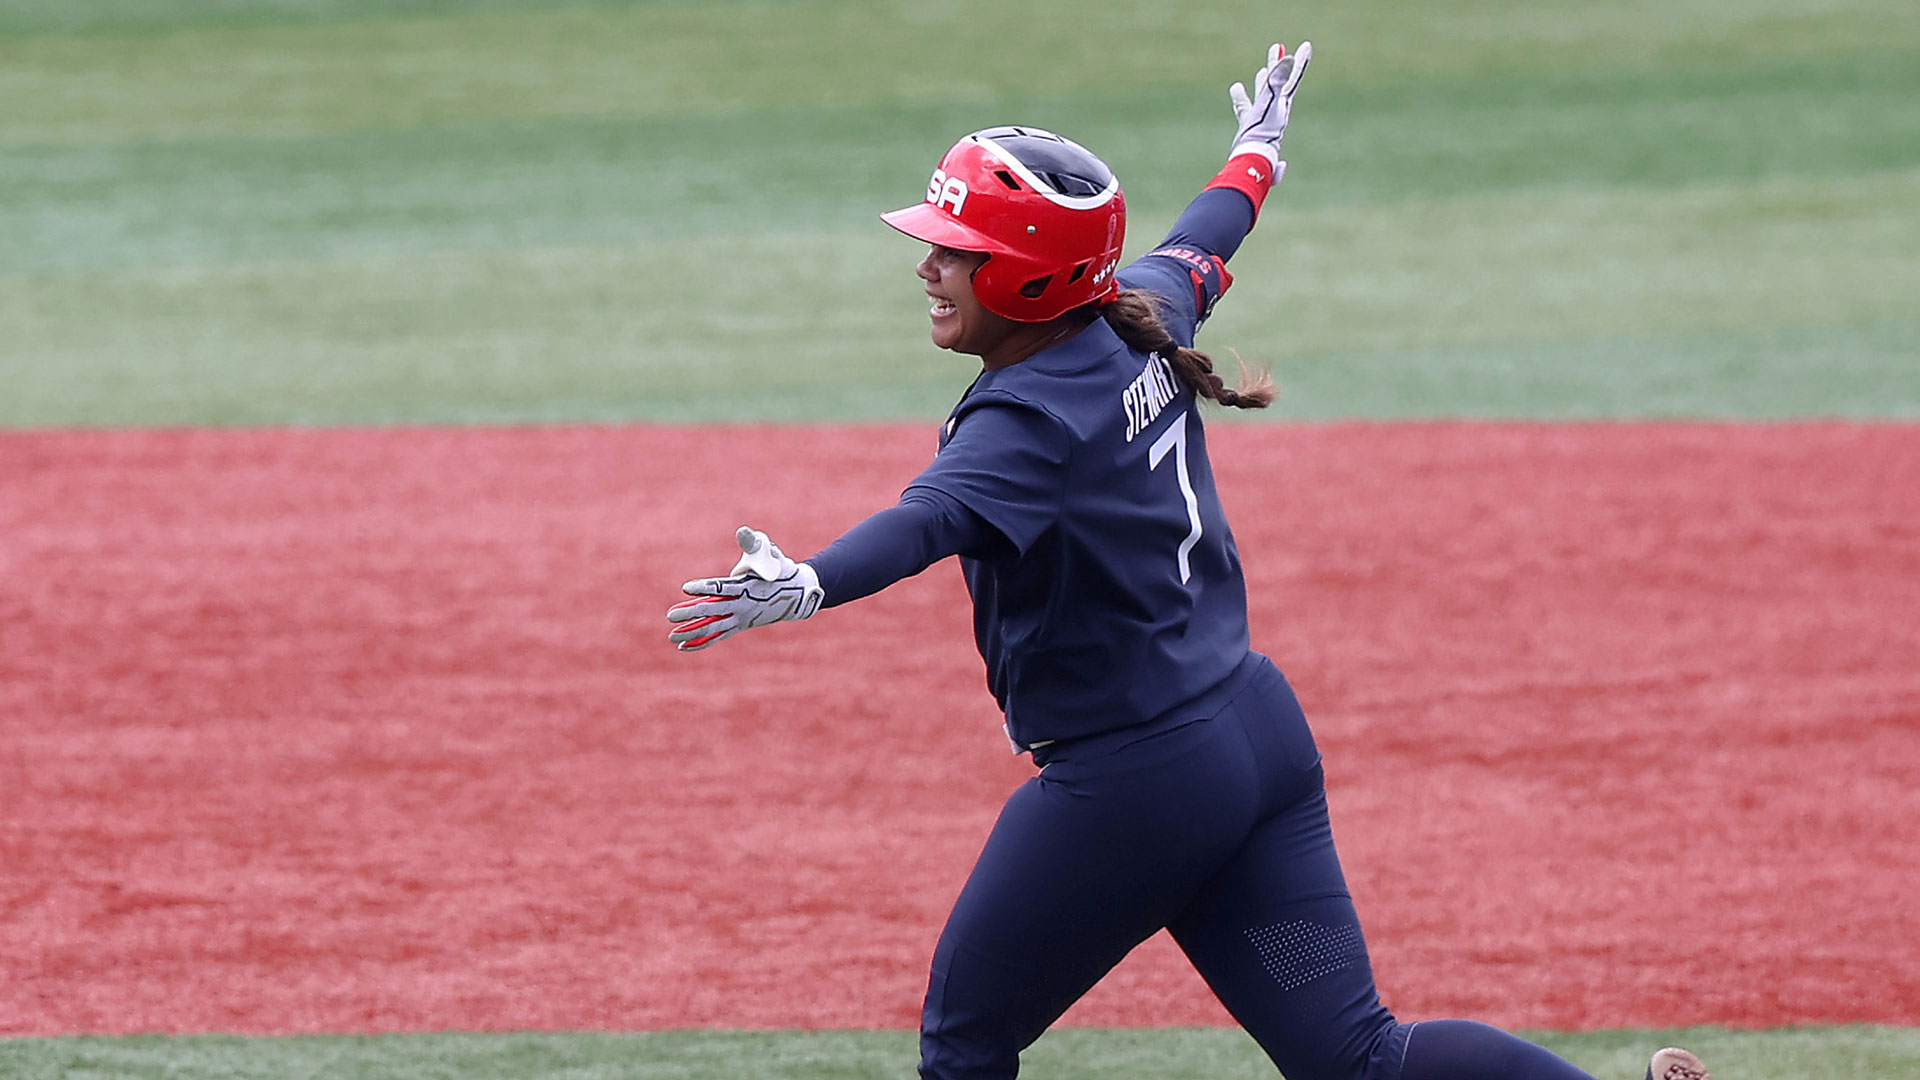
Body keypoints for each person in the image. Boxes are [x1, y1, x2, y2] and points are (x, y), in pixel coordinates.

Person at [667, 39, 1712, 1080]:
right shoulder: (1138, 313)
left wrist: (808, 583)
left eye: (958, 249)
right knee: (1361, 1060)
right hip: (1253, 742)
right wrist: (1254, 151)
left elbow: (923, 523)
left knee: (965, 1038)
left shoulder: (1026, 420)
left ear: (1028, 274)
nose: (928, 266)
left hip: (1136, 789)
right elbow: (1209, 233)